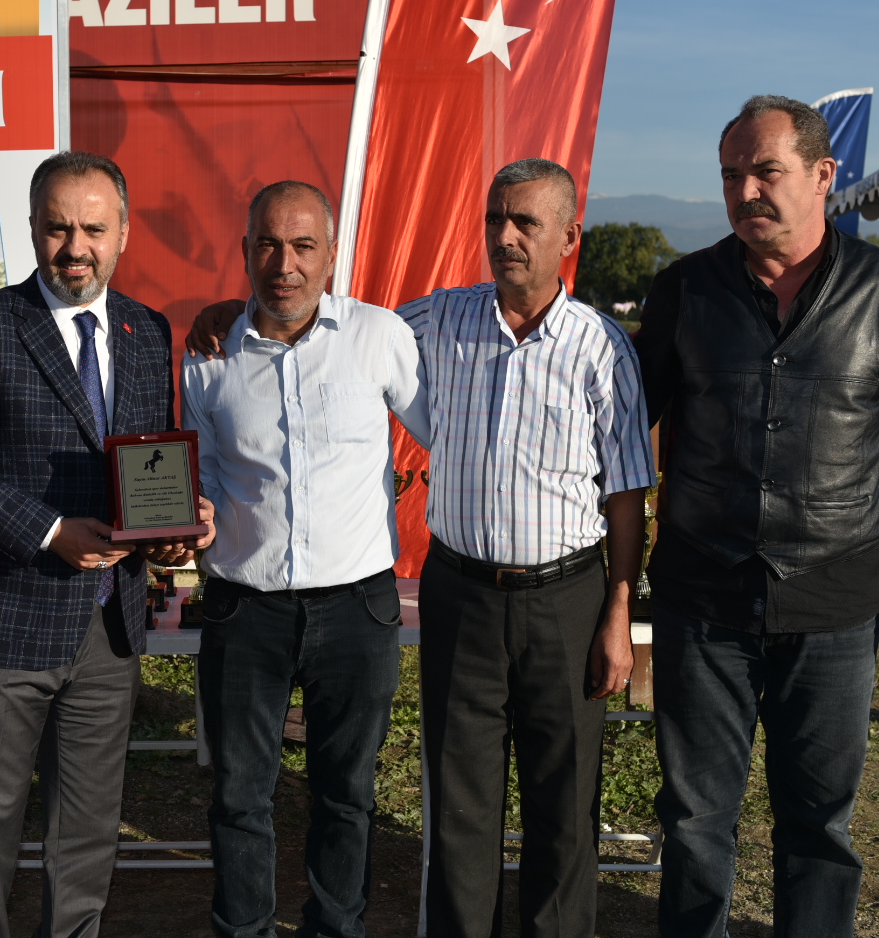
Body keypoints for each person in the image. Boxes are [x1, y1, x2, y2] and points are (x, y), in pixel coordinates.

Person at [189, 159, 653, 938]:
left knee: (563, 803)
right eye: (495, 219)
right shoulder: (437, 318)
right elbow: (318, 323)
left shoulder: (600, 347)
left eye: (526, 222)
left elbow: (628, 489)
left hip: (565, 597)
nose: (506, 237)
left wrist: (618, 610)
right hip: (460, 594)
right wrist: (232, 315)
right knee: (459, 809)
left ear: (569, 238)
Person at [636, 95, 879, 938]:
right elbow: (624, 429)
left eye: (765, 171)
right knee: (695, 815)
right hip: (702, 594)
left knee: (819, 821)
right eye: (730, 175)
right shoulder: (685, 289)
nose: (745, 191)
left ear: (823, 175)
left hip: (834, 597)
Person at [0, 150, 214, 938]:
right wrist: (49, 531)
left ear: (123, 233)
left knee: (86, 835)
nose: (75, 248)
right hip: (4, 618)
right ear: (33, 229)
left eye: (93, 229)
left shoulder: (146, 331)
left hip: (110, 628)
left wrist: (175, 527)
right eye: (57, 229)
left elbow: (147, 462)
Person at [182, 181, 429, 938]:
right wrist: (188, 519)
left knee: (347, 796)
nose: (283, 264)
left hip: (357, 609)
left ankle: (336, 929)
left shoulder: (378, 335)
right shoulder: (208, 357)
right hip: (243, 609)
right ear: (245, 249)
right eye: (267, 244)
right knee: (238, 797)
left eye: (302, 246)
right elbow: (199, 477)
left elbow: (447, 431)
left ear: (330, 253)